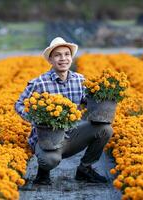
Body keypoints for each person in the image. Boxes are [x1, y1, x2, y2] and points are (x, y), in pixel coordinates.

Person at [14, 37, 113, 185]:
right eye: (58, 55)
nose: (63, 58)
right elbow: (19, 104)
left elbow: (90, 101)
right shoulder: (39, 83)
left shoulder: (79, 80)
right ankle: (43, 172)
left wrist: (107, 96)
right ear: (51, 60)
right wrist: (35, 118)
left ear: (71, 58)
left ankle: (85, 169)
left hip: (71, 135)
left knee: (105, 129)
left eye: (66, 54)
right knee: (50, 160)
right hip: (47, 138)